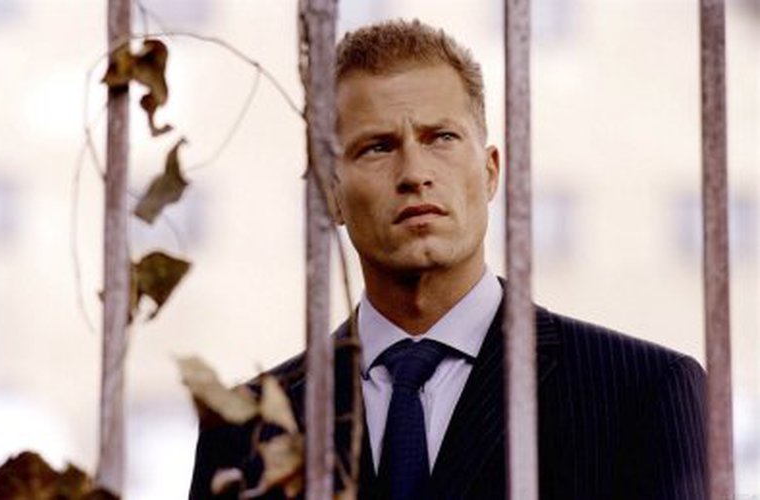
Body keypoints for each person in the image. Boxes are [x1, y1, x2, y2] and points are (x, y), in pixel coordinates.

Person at [190, 19, 707, 500]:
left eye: (441, 138)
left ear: (490, 172)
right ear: (332, 194)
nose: (415, 173)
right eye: (377, 147)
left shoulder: (642, 392)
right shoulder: (244, 429)